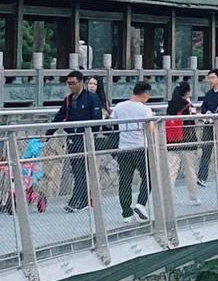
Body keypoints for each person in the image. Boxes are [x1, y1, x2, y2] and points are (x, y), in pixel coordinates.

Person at [53, 71, 102, 212]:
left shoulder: (92, 98)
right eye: (69, 84)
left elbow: (96, 120)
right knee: (77, 169)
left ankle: (77, 201)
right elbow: (60, 116)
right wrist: (47, 134)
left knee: (82, 169)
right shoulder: (68, 99)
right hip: (72, 139)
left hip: (86, 138)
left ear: (81, 82)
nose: (71, 86)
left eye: (73, 83)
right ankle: (81, 199)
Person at [111, 79, 154, 219]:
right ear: (145, 94)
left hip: (123, 148)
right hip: (141, 148)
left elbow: (112, 122)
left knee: (125, 181)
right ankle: (141, 204)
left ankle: (126, 214)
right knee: (149, 177)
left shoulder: (119, 106)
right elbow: (151, 129)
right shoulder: (145, 109)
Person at [166, 81, 201, 198]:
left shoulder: (171, 105)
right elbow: (194, 118)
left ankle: (168, 196)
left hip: (172, 140)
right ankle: (193, 195)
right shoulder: (187, 105)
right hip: (187, 140)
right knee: (190, 169)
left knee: (171, 169)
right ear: (187, 92)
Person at [195, 67, 218, 185]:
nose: (210, 80)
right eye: (209, 78)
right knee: (206, 150)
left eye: (213, 78)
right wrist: (206, 114)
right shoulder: (208, 94)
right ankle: (202, 177)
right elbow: (204, 108)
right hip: (208, 125)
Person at [20, 137, 48, 212]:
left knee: (33, 182)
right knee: (28, 181)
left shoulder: (34, 149)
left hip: (33, 169)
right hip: (28, 168)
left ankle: (36, 198)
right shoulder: (34, 147)